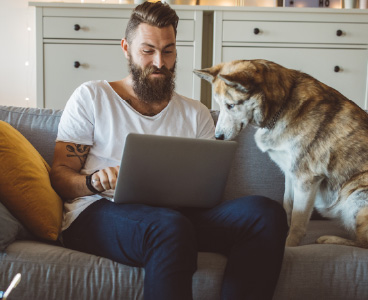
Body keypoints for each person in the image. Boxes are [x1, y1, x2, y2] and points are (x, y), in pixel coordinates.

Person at [49, 2, 288, 300]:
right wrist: (92, 181)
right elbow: (60, 175)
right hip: (99, 212)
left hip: (178, 218)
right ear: (126, 48)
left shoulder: (196, 113)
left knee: (265, 213)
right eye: (147, 51)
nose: (160, 62)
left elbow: (206, 189)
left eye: (168, 51)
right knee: (168, 227)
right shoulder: (92, 96)